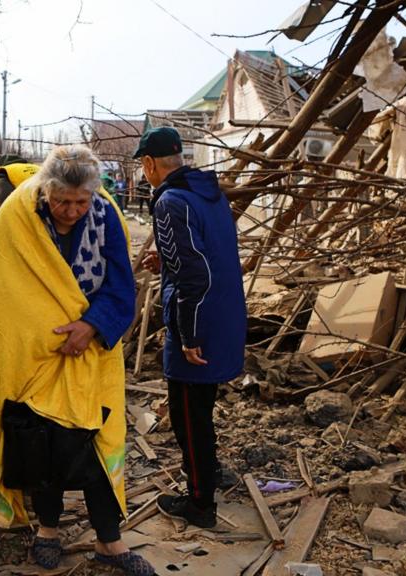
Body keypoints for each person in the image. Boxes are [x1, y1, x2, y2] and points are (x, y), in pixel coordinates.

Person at [0, 145, 154, 576]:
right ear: (45, 191)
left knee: (97, 440)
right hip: (33, 359)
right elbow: (0, 293)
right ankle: (48, 530)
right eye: (62, 200)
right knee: (42, 446)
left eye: (81, 202)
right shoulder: (17, 219)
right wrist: (38, 335)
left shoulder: (105, 218)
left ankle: (109, 541)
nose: (71, 211)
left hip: (91, 355)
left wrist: (92, 326)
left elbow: (122, 288)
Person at [135, 127, 246, 529]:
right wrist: (166, 260)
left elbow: (193, 276)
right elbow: (206, 252)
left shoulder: (170, 202)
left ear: (149, 164)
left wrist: (188, 334)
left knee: (188, 417)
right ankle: (209, 473)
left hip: (198, 321)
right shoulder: (208, 193)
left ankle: (200, 503)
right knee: (201, 408)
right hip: (224, 314)